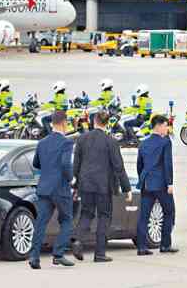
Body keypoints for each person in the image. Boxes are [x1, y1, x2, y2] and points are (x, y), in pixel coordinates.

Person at [71, 111, 132, 263]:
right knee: (104, 217)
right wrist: (127, 188)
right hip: (104, 186)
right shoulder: (111, 142)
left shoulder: (82, 139)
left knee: (86, 214)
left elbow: (76, 165)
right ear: (107, 123)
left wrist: (76, 186)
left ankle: (77, 241)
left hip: (86, 184)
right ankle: (100, 253)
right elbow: (119, 167)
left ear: (94, 121)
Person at [28, 111, 75, 269]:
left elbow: (36, 164)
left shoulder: (42, 143)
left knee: (41, 222)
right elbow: (66, 164)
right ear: (63, 123)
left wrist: (48, 170)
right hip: (61, 188)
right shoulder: (67, 143)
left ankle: (34, 257)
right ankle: (58, 254)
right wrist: (71, 179)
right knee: (67, 220)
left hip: (44, 188)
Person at [136, 115, 177, 255]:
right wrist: (170, 183)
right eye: (166, 125)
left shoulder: (143, 142)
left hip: (146, 183)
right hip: (161, 184)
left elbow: (139, 165)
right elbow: (167, 164)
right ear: (158, 126)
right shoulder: (165, 142)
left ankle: (141, 247)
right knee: (169, 212)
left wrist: (143, 179)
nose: (167, 128)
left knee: (144, 216)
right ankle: (165, 245)